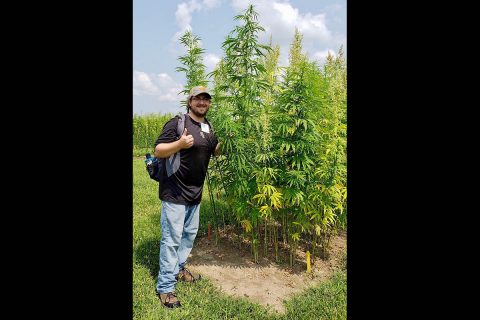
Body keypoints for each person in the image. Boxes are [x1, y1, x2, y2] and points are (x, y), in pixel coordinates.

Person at [153, 86, 221, 308]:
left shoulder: (208, 126)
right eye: (198, 99)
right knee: (171, 239)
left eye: (206, 99)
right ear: (190, 101)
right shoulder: (177, 123)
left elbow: (214, 148)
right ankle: (165, 287)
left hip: (195, 193)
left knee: (188, 236)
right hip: (174, 191)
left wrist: (228, 142)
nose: (202, 102)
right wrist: (180, 144)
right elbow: (159, 150)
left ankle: (179, 268)